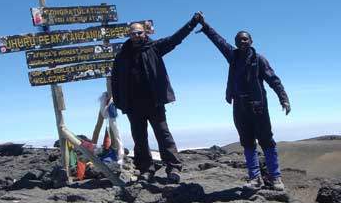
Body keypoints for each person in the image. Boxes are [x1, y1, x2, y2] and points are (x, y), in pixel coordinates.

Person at [197, 13, 291, 190]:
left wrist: (283, 98)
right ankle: (255, 178)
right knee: (247, 142)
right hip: (239, 106)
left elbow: (274, 80)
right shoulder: (233, 56)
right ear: (236, 42)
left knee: (267, 141)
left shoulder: (259, 60)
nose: (243, 42)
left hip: (258, 107)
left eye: (246, 39)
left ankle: (275, 177)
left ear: (251, 41)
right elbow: (219, 41)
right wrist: (205, 26)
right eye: (239, 40)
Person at [111, 14, 202, 182]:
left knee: (163, 134)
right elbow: (115, 80)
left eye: (139, 33)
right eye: (133, 33)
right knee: (139, 138)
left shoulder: (155, 47)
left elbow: (175, 39)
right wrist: (118, 102)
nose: (136, 36)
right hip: (132, 105)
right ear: (129, 35)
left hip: (154, 102)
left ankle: (173, 168)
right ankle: (146, 169)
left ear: (145, 33)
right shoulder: (122, 56)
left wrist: (192, 23)